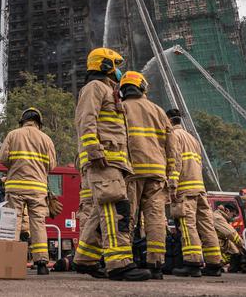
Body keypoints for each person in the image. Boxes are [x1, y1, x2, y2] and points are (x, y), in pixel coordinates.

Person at [72, 48, 151, 281]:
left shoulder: (108, 90)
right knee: (116, 208)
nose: (118, 71)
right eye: (115, 65)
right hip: (103, 158)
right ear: (105, 65)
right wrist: (94, 150)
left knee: (100, 211)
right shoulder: (94, 88)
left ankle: (85, 259)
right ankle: (119, 264)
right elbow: (86, 120)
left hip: (113, 159)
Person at [119, 71, 172, 279]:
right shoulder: (159, 111)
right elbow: (171, 147)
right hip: (157, 173)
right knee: (156, 219)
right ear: (143, 87)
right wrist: (171, 175)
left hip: (131, 171)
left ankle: (126, 261)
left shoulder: (120, 108)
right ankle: (156, 264)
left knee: (127, 217)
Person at [0, 107, 56, 275]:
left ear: (22, 120)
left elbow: (3, 158)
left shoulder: (13, 135)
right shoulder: (46, 139)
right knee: (38, 224)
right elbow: (52, 165)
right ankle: (42, 263)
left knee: (13, 222)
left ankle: (10, 261)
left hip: (15, 186)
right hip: (38, 188)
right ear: (39, 122)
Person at [166, 108, 222, 277]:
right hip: (200, 189)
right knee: (206, 226)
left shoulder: (173, 136)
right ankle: (214, 264)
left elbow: (175, 161)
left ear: (168, 120)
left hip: (184, 188)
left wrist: (173, 185)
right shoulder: (193, 138)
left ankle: (192, 263)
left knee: (187, 224)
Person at [212, 203, 245, 272]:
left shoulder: (223, 218)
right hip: (211, 244)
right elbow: (231, 233)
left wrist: (238, 253)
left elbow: (230, 239)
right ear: (227, 211)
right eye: (233, 215)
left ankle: (219, 263)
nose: (234, 218)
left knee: (235, 252)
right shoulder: (217, 217)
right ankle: (215, 264)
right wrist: (243, 245)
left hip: (219, 243)